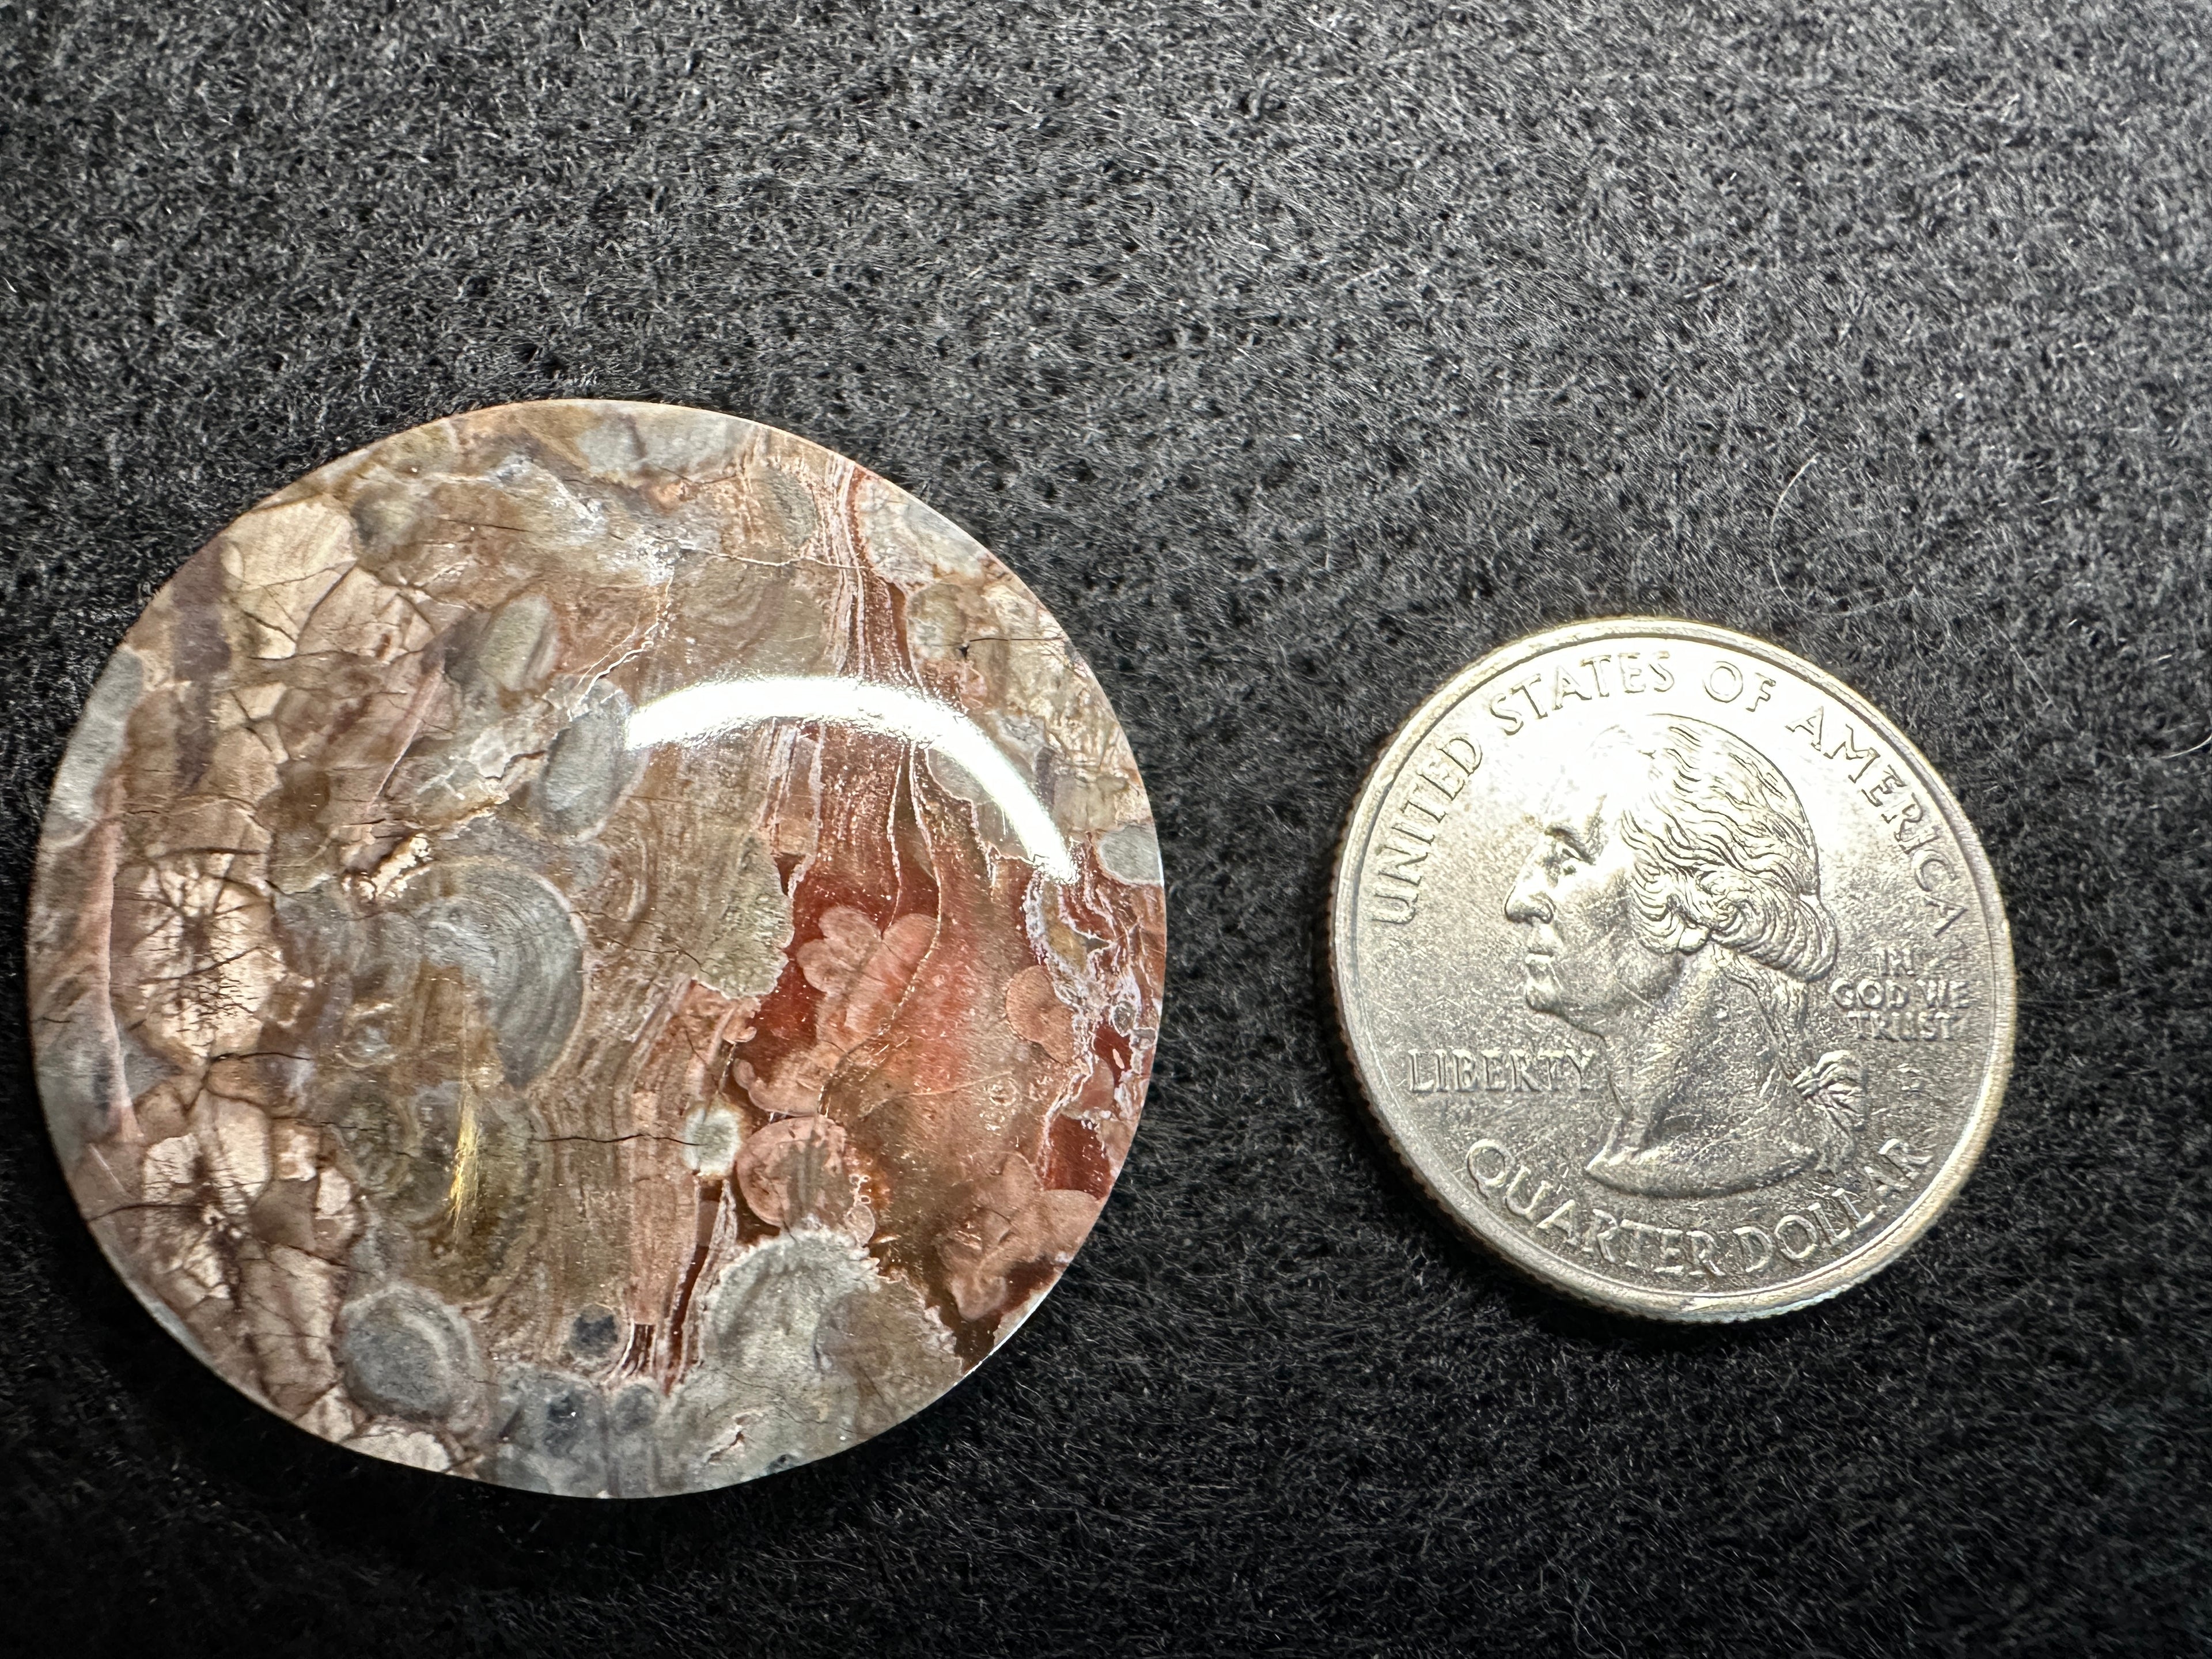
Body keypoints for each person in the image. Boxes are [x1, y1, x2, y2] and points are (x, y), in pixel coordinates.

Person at [1503, 714, 1862, 1198]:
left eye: (1566, 864)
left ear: (1692, 908)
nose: (1520, 901)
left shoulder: (1753, 1152)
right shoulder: (1631, 1153)